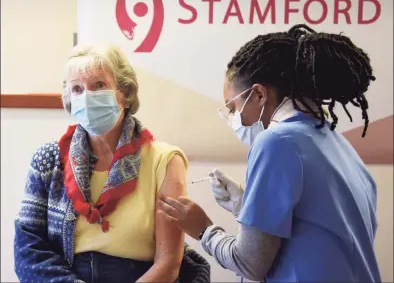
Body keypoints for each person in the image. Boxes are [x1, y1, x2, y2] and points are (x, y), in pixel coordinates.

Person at [159, 24, 381, 282]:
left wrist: (203, 229)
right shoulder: (336, 143)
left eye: (233, 107)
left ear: (260, 94)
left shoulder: (276, 142)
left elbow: (250, 263)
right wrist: (243, 205)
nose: (232, 118)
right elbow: (315, 230)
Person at [14, 44, 210, 283]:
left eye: (99, 85)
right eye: (77, 89)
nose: (87, 96)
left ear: (125, 93)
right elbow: (27, 250)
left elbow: (168, 264)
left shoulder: (165, 160)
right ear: (69, 101)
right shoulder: (48, 159)